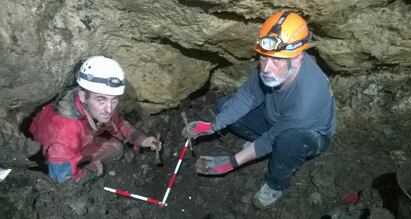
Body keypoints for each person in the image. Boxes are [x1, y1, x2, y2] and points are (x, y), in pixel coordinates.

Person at [183, 11, 336, 209]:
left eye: (276, 61)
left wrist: (231, 163)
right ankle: (260, 148)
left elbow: (272, 137)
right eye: (263, 58)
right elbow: (247, 96)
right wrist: (212, 126)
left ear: (297, 58)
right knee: (224, 107)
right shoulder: (275, 67)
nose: (266, 68)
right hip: (277, 117)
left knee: (288, 142)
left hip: (308, 137)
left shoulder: (308, 97)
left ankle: (276, 183)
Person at [30, 56, 160, 184]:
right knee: (112, 151)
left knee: (117, 148)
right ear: (82, 96)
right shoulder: (65, 132)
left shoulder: (92, 104)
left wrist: (140, 139)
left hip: (78, 141)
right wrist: (90, 171)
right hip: (52, 157)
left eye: (114, 99)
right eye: (101, 99)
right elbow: (63, 179)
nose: (109, 109)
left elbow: (116, 123)